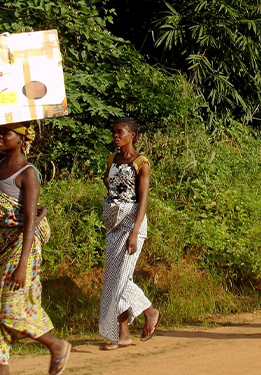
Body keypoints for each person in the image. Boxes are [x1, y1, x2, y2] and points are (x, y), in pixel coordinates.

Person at [0, 123, 71, 375]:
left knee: (10, 309)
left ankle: (56, 344)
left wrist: (21, 264)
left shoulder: (28, 173)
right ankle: (3, 367)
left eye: (6, 132)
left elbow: (30, 220)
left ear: (21, 140)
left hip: (21, 245)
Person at [99, 118, 160, 350]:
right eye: (113, 132)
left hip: (131, 224)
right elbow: (109, 181)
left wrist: (135, 232)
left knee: (120, 279)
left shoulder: (141, 162)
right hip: (113, 223)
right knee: (117, 279)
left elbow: (143, 199)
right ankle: (122, 334)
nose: (115, 136)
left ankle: (150, 311)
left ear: (132, 135)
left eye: (120, 132)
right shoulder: (112, 159)